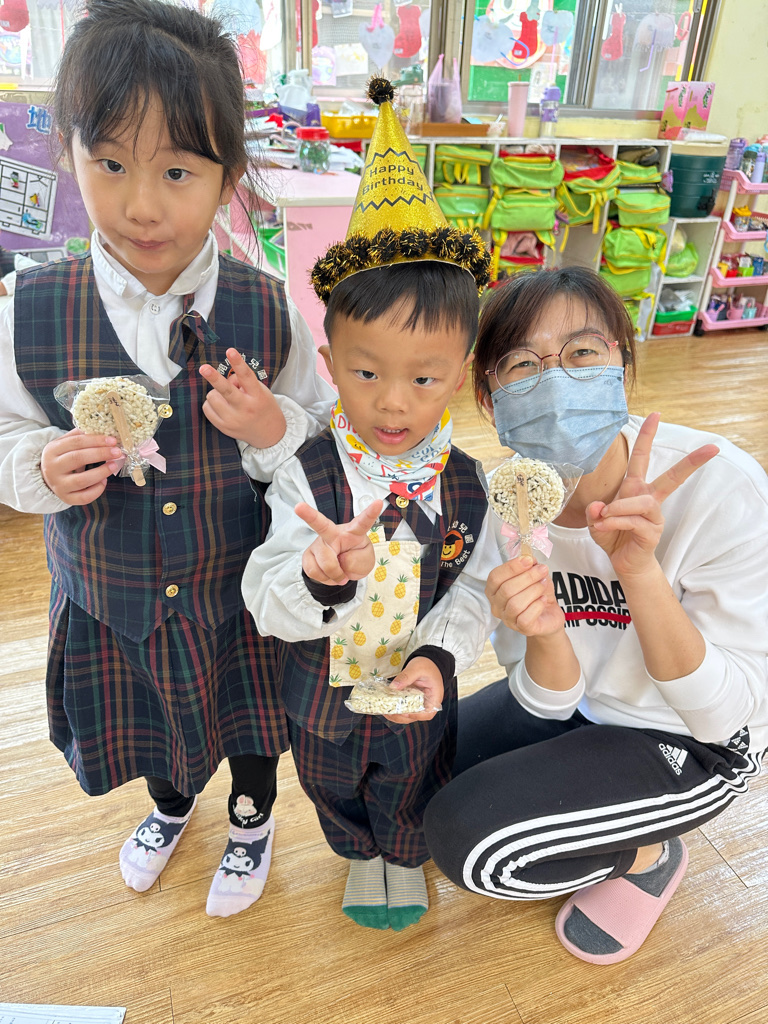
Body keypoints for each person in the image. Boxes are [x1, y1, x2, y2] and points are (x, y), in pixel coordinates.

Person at [0, 0, 335, 918]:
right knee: (154, 722)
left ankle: (252, 817)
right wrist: (38, 466)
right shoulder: (28, 309)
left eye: (178, 171)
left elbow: (321, 440)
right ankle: (173, 803)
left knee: (250, 724)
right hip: (114, 596)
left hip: (240, 593)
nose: (142, 205)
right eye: (111, 164)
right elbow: (5, 432)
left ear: (228, 181)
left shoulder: (268, 309)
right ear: (70, 155)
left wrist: (273, 427)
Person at [424, 266, 768, 963]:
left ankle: (647, 855)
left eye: (582, 352)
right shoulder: (506, 501)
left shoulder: (719, 488)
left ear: (621, 364)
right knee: (417, 767)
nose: (555, 380)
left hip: (692, 740)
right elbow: (546, 699)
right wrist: (541, 635)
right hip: (580, 705)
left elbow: (725, 717)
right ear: (490, 397)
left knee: (471, 844)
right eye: (523, 364)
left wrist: (639, 572)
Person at [243, 77, 497, 931]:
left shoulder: (468, 485)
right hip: (321, 692)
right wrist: (317, 575)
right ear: (329, 362)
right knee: (330, 777)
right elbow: (265, 593)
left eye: (424, 378)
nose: (392, 402)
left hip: (415, 689)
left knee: (411, 778)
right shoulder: (305, 474)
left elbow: (470, 589)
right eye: (365, 372)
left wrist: (441, 659)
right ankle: (358, 852)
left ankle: (402, 853)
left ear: (457, 375)